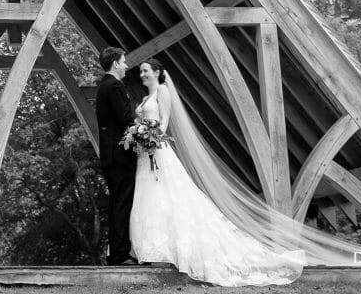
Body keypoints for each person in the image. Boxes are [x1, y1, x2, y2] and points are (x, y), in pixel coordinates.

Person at [129, 58, 306, 285]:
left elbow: (164, 122)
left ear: (156, 72)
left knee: (168, 195)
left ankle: (176, 250)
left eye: (145, 70)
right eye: (140, 71)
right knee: (151, 197)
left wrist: (152, 138)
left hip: (158, 149)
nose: (142, 74)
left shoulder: (162, 91)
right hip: (144, 155)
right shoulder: (144, 99)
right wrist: (139, 134)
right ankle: (156, 251)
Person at [94, 46, 138, 265]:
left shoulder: (103, 86)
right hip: (121, 155)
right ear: (115, 64)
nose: (126, 65)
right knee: (122, 203)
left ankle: (116, 253)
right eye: (124, 61)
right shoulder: (114, 86)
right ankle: (121, 254)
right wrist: (141, 128)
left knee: (116, 204)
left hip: (109, 154)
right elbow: (125, 118)